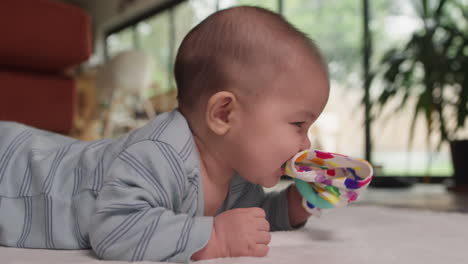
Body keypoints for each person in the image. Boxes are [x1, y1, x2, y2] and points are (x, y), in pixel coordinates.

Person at [0, 6, 329, 263]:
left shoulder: (235, 172)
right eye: (298, 125)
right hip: (19, 171)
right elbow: (113, 229)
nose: (306, 144)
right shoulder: (160, 153)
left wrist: (295, 205)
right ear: (224, 114)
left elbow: (252, 222)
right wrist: (213, 238)